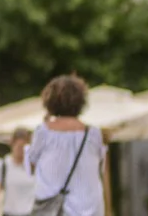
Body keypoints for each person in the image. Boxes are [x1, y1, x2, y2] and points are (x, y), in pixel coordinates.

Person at [27, 75, 109, 216]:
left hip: (52, 209)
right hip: (88, 208)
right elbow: (100, 167)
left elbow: (31, 165)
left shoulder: (43, 132)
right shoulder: (93, 134)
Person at [0, 127, 35, 216]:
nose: (21, 151)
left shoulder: (34, 166)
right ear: (12, 144)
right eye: (19, 147)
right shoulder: (2, 165)